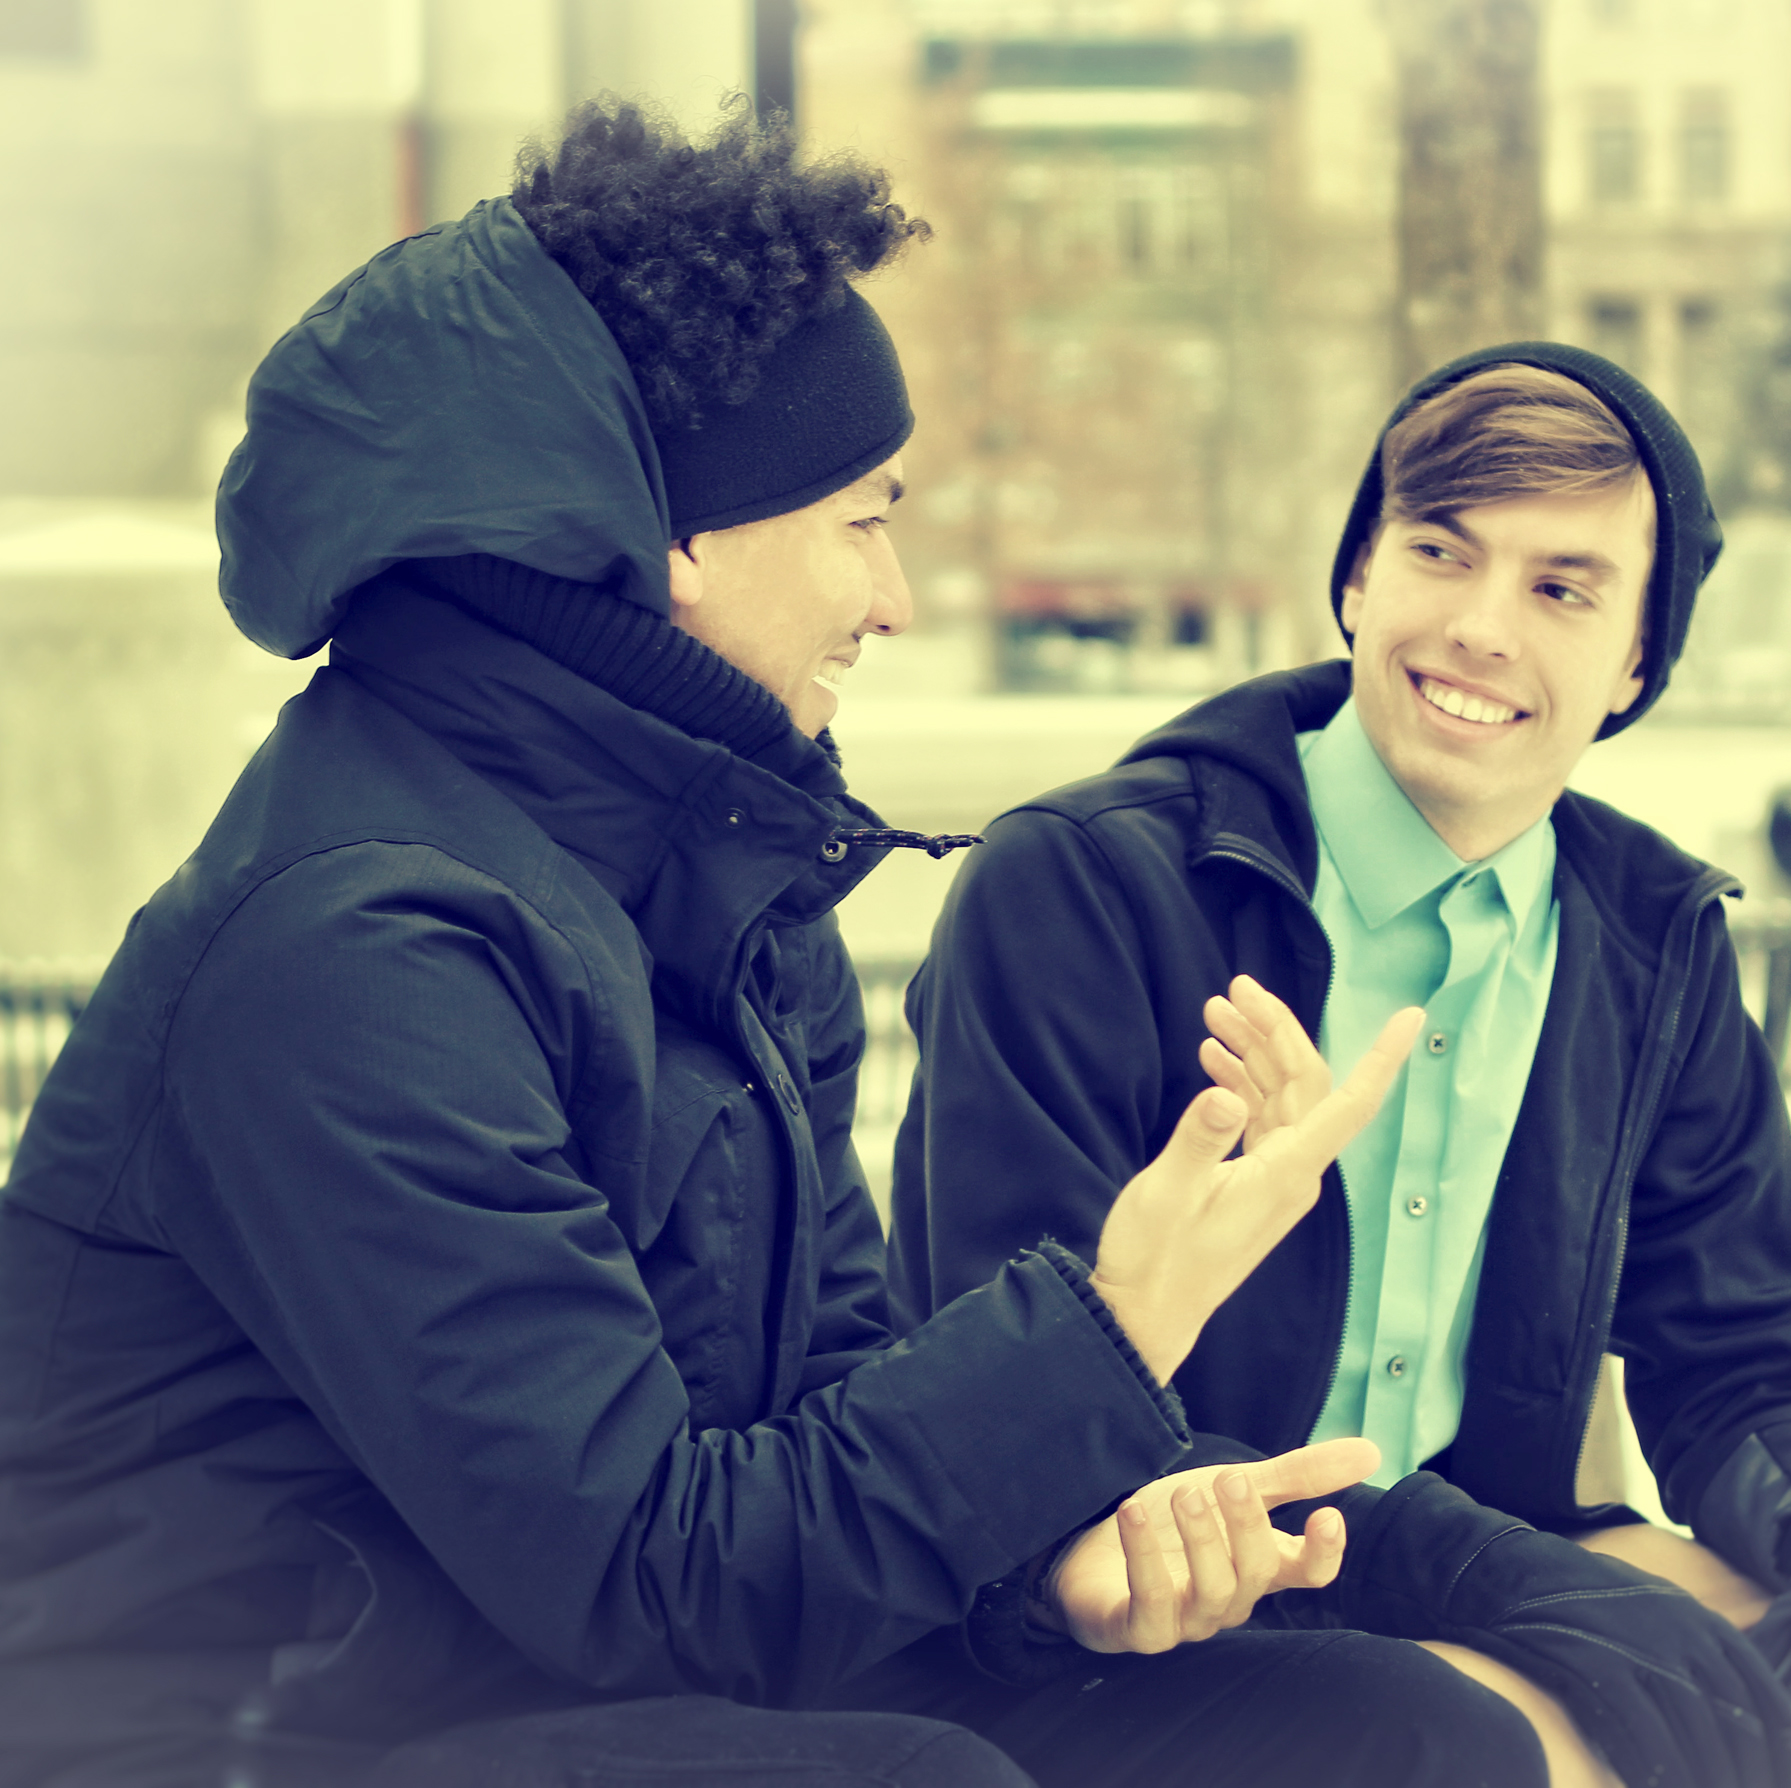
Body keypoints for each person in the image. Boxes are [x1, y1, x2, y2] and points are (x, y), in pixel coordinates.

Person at [0, 102, 1549, 1788]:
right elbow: (646, 1574)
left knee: (1398, 1736)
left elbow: (815, 1408)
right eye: (862, 518)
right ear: (661, 538)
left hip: (578, 1681)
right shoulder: (354, 954)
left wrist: (1049, 1571)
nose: (892, 597)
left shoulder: (725, 876)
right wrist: (1115, 1321)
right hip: (240, 1736)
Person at [889, 347, 1791, 1788]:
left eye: (1562, 589)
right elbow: (1013, 1406)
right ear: (1357, 581)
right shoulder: (1092, 888)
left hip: (1519, 1571)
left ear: (1634, 659)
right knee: (1520, 1747)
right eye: (1439, 554)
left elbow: (1734, 1360)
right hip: (1191, 1600)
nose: (1481, 628)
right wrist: (1507, 1586)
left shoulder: (1643, 941)